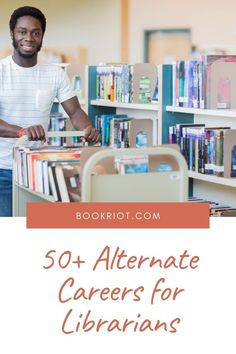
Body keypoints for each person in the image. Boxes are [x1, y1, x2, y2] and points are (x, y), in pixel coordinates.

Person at [0, 6, 100, 217]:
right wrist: (22, 131)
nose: (29, 37)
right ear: (12, 34)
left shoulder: (55, 73)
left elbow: (74, 112)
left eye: (35, 32)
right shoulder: (1, 71)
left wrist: (88, 129)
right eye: (22, 31)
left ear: (42, 36)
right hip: (3, 169)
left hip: (40, 168)